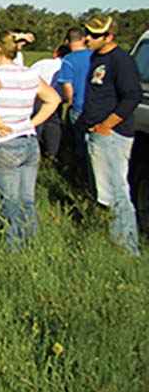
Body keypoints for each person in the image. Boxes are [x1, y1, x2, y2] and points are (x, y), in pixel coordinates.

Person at [0, 31, 61, 251]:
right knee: (27, 199)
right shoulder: (29, 74)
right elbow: (53, 99)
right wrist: (33, 122)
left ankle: (14, 249)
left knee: (10, 201)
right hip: (28, 142)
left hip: (3, 143)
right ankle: (30, 244)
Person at [82, 15, 141, 257]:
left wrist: (107, 125)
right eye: (87, 33)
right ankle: (115, 240)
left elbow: (132, 96)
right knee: (105, 192)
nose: (88, 38)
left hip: (112, 136)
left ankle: (128, 249)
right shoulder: (97, 57)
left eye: (95, 35)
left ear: (109, 37)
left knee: (118, 192)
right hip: (97, 134)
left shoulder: (121, 61)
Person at [57, 26, 93, 185]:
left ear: (67, 41)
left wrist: (68, 102)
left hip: (78, 107)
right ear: (84, 39)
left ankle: (82, 180)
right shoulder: (96, 56)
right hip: (99, 108)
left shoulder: (69, 60)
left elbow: (67, 87)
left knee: (80, 148)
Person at [29, 44, 67, 160]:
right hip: (55, 98)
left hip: (35, 96)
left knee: (35, 124)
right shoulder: (66, 66)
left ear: (56, 53)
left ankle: (33, 152)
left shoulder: (42, 63)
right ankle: (52, 153)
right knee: (53, 125)